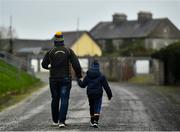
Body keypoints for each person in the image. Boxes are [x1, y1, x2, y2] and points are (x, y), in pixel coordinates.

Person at [41, 31, 82, 128]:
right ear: (63, 40)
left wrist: (49, 68)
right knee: (64, 99)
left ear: (54, 41)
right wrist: (79, 75)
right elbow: (76, 64)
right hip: (65, 79)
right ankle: (61, 122)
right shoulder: (68, 51)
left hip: (53, 79)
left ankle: (55, 121)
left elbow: (43, 64)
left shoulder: (50, 51)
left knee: (55, 99)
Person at [77, 59, 112, 128]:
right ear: (98, 67)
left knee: (92, 106)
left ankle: (92, 120)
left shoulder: (88, 76)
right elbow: (106, 86)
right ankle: (96, 121)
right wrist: (109, 95)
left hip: (90, 94)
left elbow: (83, 85)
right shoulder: (101, 76)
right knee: (97, 106)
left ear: (91, 67)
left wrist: (79, 80)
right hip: (98, 94)